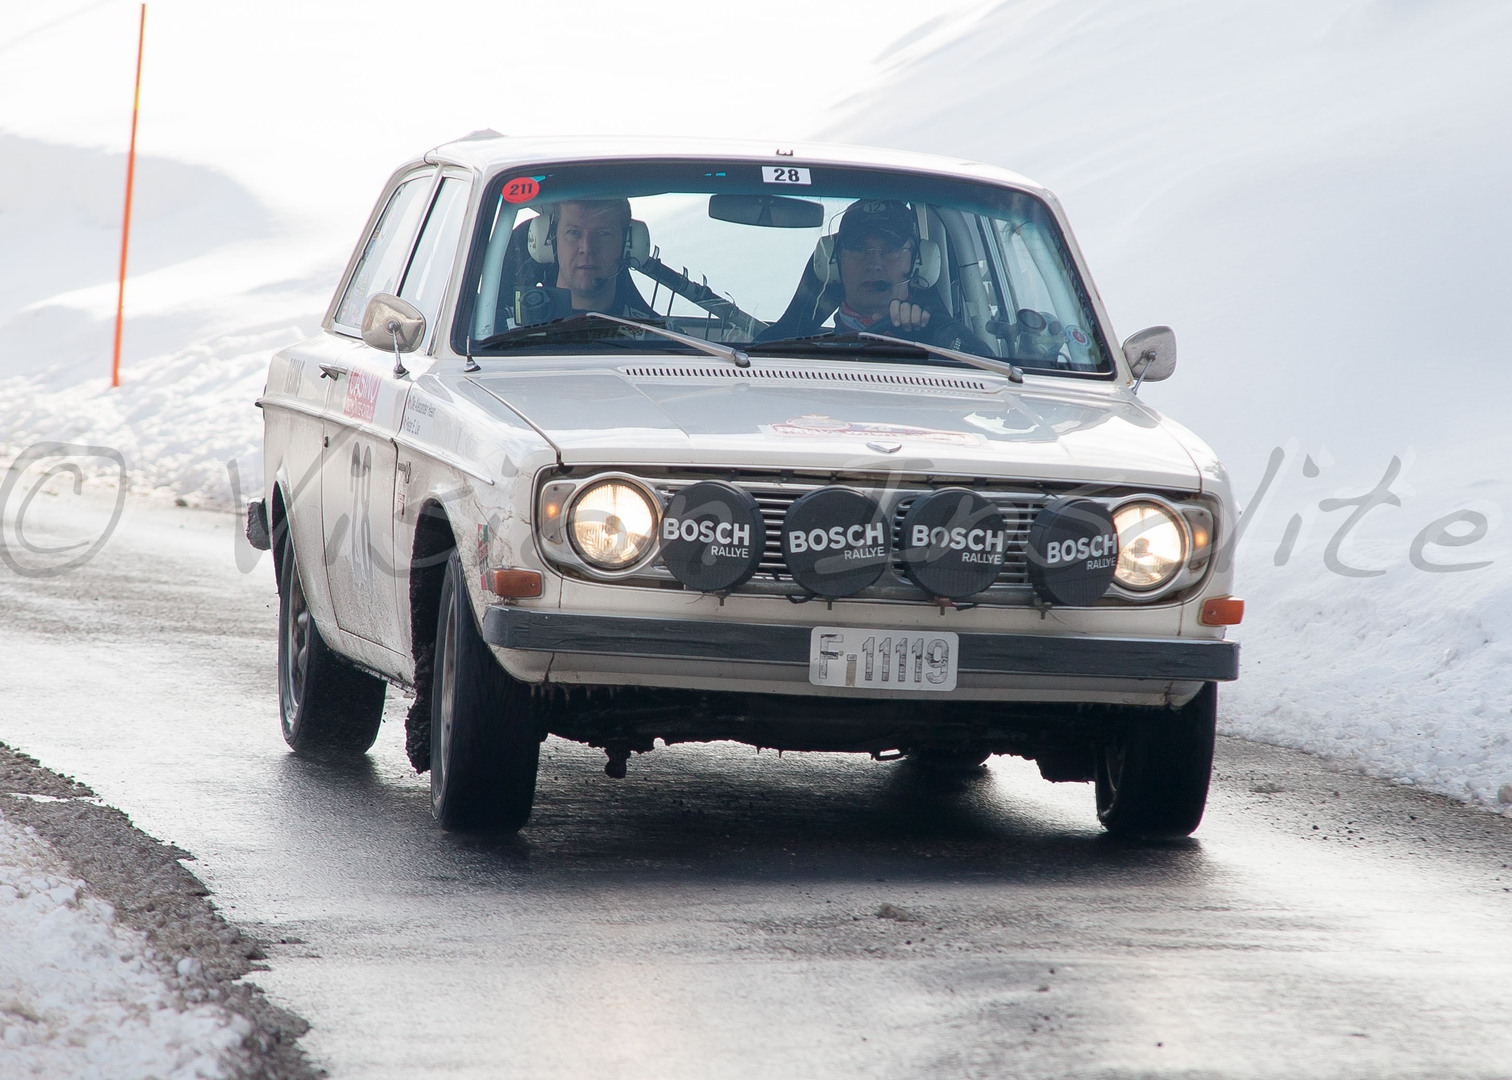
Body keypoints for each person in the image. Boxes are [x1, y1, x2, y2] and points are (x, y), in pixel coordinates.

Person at [828, 198, 982, 354]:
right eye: (859, 249)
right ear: (835, 262)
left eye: (892, 249)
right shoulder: (812, 352)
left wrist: (941, 336)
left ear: (917, 261)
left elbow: (988, 363)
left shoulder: (941, 339)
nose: (874, 264)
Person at [514, 198, 656, 321]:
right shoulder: (508, 335)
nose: (587, 247)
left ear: (628, 245)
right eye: (573, 232)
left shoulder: (656, 337)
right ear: (550, 241)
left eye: (603, 233)